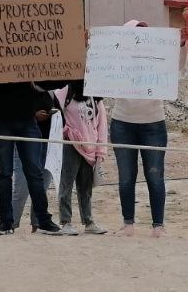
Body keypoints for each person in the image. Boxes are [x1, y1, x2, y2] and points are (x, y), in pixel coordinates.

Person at [109, 20, 181, 238]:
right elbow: (98, 72)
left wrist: (182, 43)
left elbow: (178, 66)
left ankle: (158, 226)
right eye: (135, 34)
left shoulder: (157, 56)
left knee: (155, 176)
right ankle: (128, 224)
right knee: (126, 177)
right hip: (122, 122)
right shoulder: (117, 58)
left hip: (153, 123)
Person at [0, 81, 66, 235]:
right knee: (5, 172)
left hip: (27, 119)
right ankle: (5, 221)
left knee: (34, 172)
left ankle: (43, 220)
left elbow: (46, 83)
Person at [51, 80, 108, 236]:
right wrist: (65, 131)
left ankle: (89, 221)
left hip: (90, 146)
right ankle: (66, 221)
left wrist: (100, 151)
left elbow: (102, 124)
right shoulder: (65, 91)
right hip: (71, 144)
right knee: (66, 184)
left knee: (86, 186)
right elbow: (55, 113)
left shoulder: (95, 96)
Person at [9, 85, 57, 231]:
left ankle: (37, 222)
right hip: (25, 140)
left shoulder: (53, 89)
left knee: (43, 184)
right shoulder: (21, 87)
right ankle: (11, 222)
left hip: (50, 140)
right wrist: (33, 115)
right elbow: (14, 108)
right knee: (21, 186)